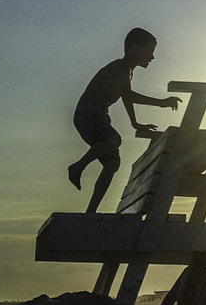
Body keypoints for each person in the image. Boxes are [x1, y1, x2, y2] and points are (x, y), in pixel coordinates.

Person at [67, 28, 181, 213]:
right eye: (149, 51)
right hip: (88, 115)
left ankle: (91, 211)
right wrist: (161, 103)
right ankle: (78, 167)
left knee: (113, 163)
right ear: (136, 48)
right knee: (114, 140)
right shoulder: (120, 67)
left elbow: (125, 98)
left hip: (98, 117)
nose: (152, 57)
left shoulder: (127, 71)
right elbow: (128, 95)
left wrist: (135, 123)